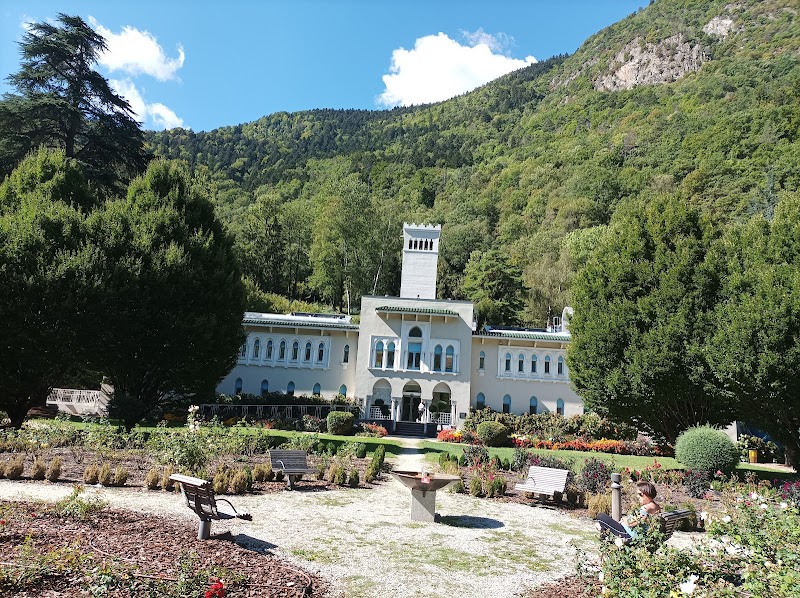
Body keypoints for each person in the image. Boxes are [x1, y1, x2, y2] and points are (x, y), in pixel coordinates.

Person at [595, 481, 662, 541]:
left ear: (646, 494)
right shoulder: (656, 506)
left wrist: (624, 519)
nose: (637, 496)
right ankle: (604, 533)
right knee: (602, 525)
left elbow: (631, 524)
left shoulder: (646, 508)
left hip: (628, 535)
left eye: (639, 494)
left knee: (601, 517)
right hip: (632, 533)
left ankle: (604, 533)